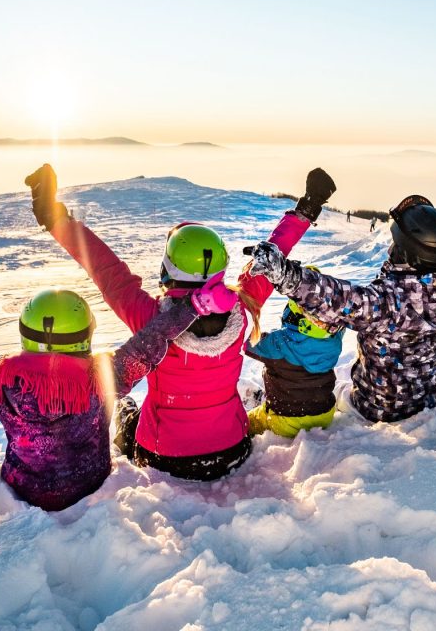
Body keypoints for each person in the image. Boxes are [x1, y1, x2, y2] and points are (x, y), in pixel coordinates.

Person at [25, 164, 336, 480]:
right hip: (232, 449)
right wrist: (306, 208)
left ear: (168, 268)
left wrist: (55, 219)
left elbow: (106, 270)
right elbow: (272, 256)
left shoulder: (151, 320)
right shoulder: (242, 308)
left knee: (126, 414)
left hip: (164, 457)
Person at [0, 275, 237, 510]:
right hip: (91, 484)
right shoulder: (104, 378)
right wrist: (194, 306)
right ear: (85, 336)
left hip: (26, 492)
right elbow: (151, 341)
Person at [245, 171, 436, 423]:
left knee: (334, 397)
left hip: (377, 410)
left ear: (407, 252)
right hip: (434, 398)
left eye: (396, 243)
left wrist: (283, 273)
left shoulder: (387, 302)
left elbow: (333, 298)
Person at [246, 266, 344, 438]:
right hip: (325, 414)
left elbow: (248, 343)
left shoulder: (278, 343)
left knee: (249, 422)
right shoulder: (333, 340)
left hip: (286, 420)